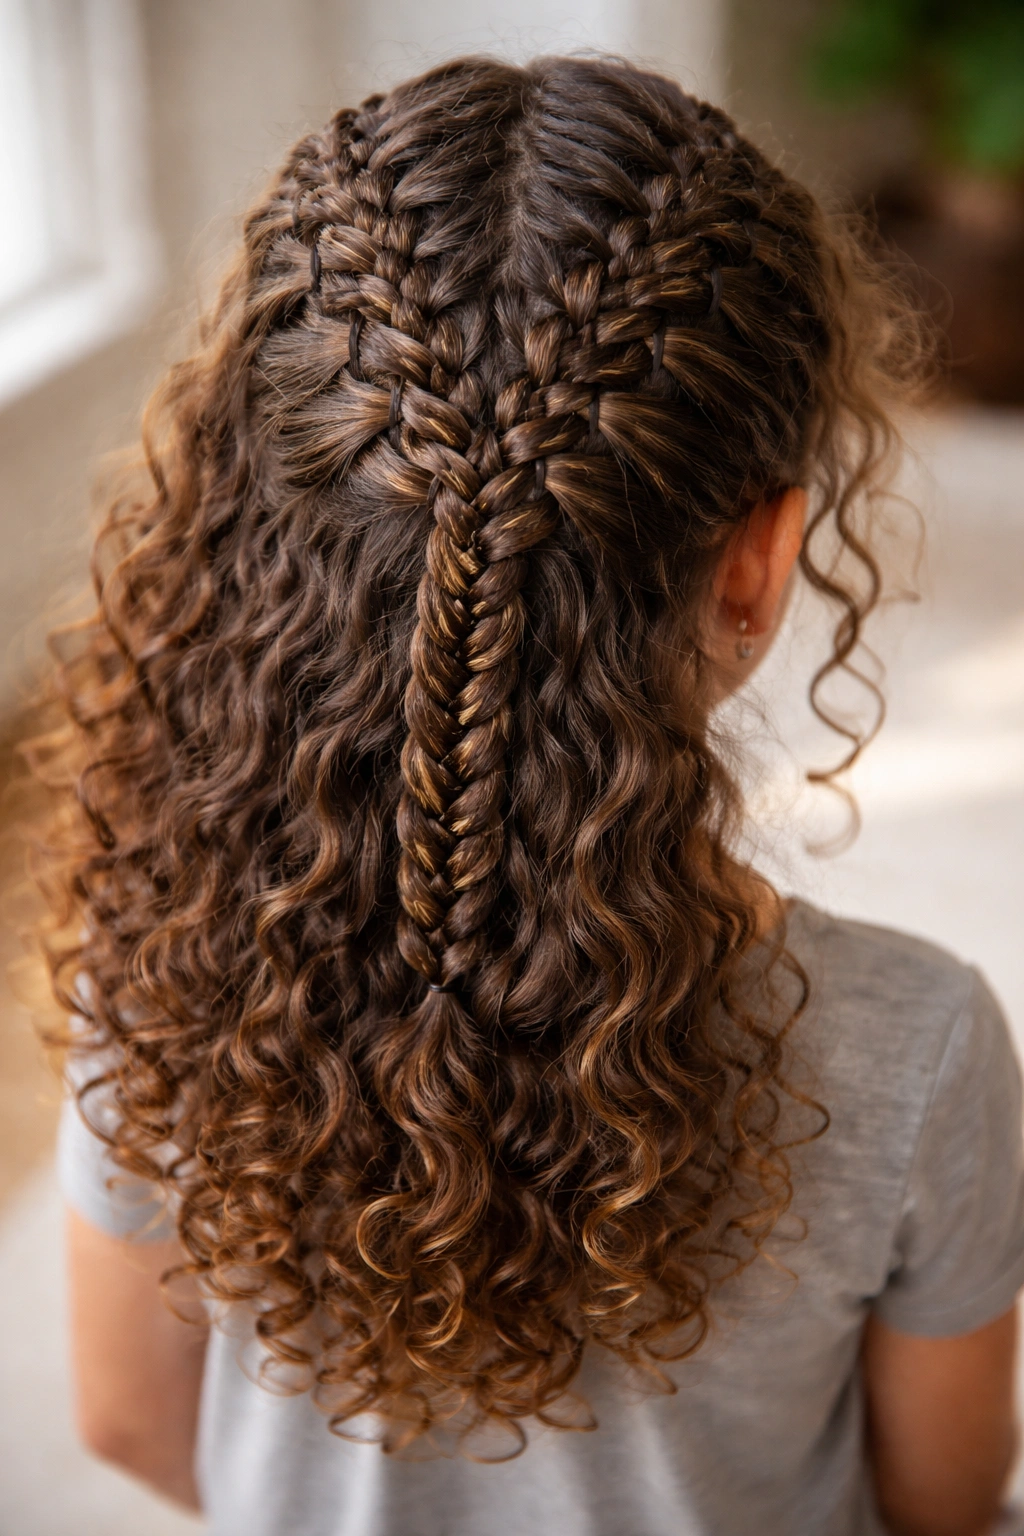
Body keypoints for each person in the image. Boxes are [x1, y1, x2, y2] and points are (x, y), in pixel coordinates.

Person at [32, 54, 1024, 1536]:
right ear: (758, 562)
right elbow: (939, 1503)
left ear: (252, 500)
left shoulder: (154, 972)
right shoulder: (916, 1051)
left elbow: (123, 1422)